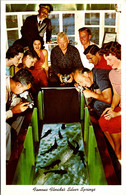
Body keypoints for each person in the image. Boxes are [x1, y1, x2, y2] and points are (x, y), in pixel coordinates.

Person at [98, 41, 121, 160]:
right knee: (102, 121)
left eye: (109, 60)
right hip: (121, 107)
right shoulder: (112, 73)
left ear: (117, 55)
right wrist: (111, 108)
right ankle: (114, 152)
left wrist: (117, 113)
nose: (107, 63)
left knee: (113, 123)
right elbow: (116, 94)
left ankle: (119, 154)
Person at [6, 68, 34, 160]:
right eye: (23, 90)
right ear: (18, 84)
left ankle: (13, 144)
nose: (23, 92)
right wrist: (13, 111)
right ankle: (6, 161)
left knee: (21, 115)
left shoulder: (10, 82)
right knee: (5, 128)